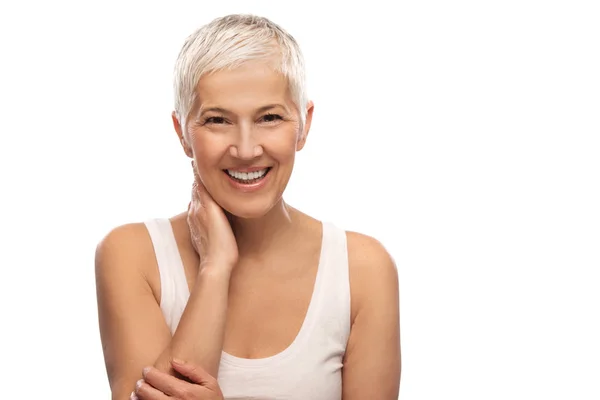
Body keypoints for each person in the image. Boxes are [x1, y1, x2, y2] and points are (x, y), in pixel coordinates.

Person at [95, 14, 401, 400]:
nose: (245, 149)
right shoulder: (132, 255)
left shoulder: (363, 270)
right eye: (217, 120)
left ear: (304, 125)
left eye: (269, 117)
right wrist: (215, 267)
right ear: (182, 134)